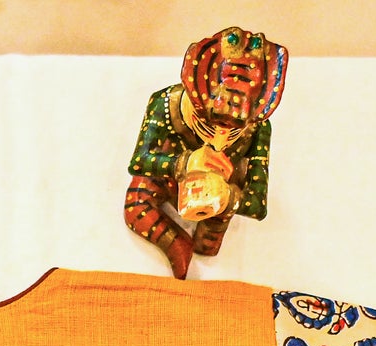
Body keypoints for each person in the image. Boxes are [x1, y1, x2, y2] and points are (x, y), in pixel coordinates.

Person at [123, 27, 287, 279]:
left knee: (209, 245)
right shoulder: (164, 102)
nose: (218, 141)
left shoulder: (259, 129)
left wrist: (228, 197)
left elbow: (258, 204)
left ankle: (202, 241)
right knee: (136, 206)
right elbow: (139, 162)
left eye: (232, 132)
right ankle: (178, 245)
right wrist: (185, 162)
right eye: (207, 127)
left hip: (218, 194)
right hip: (168, 177)